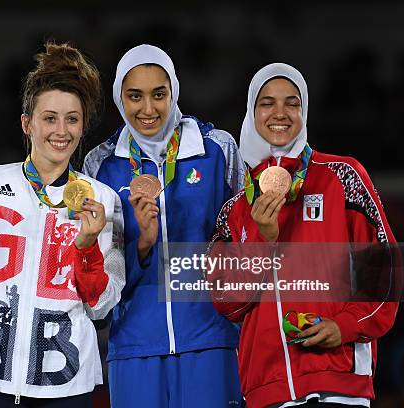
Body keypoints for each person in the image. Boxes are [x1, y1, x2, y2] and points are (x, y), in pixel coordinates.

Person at [209, 63, 399, 407]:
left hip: (339, 382)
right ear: (252, 112)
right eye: (267, 103)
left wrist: (345, 326)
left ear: (304, 111)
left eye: (291, 103)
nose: (279, 113)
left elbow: (386, 271)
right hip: (268, 390)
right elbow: (225, 302)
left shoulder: (342, 176)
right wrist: (262, 243)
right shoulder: (235, 209)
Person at [83, 44, 244, 407]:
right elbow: (97, 265)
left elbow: (242, 240)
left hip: (211, 340)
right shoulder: (102, 164)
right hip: (134, 344)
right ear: (119, 98)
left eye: (159, 94)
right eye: (134, 96)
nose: (148, 109)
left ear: (174, 91)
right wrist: (141, 243)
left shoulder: (217, 150)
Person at [0, 41, 125, 407]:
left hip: (66, 385)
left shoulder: (104, 201)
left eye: (72, 119)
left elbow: (102, 306)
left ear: (83, 126)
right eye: (49, 118)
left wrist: (86, 247)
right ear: (27, 123)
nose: (61, 130)